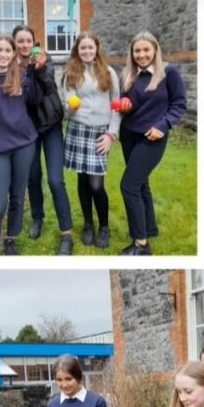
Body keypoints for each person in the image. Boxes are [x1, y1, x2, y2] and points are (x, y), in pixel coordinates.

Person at [0, 34, 46, 255]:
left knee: (17, 197)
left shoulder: (21, 75)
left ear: (14, 54)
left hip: (24, 144)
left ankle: (11, 237)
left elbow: (35, 100)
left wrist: (35, 71)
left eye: (7, 50)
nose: (3, 54)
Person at [118, 32, 187, 255]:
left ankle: (141, 244)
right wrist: (124, 104)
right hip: (129, 135)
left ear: (155, 50)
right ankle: (149, 228)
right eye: (137, 51)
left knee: (128, 186)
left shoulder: (168, 73)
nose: (141, 55)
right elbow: (125, 103)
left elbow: (179, 103)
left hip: (152, 137)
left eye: (146, 50)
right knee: (141, 184)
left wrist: (163, 125)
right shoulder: (127, 75)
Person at [13, 25, 73, 255]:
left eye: (28, 40)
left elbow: (49, 88)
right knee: (33, 176)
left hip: (50, 125)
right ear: (15, 43)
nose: (24, 45)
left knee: (55, 180)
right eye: (20, 41)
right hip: (27, 130)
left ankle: (66, 233)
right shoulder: (12, 66)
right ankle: (37, 218)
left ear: (34, 42)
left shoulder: (43, 59)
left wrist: (38, 70)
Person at [61, 32, 121, 250]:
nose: (86, 51)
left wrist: (111, 134)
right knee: (83, 180)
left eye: (90, 47)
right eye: (82, 48)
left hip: (100, 133)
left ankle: (104, 227)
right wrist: (71, 106)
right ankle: (88, 224)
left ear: (97, 48)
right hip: (78, 129)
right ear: (77, 50)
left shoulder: (108, 72)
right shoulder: (70, 73)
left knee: (96, 185)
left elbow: (116, 105)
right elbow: (67, 105)